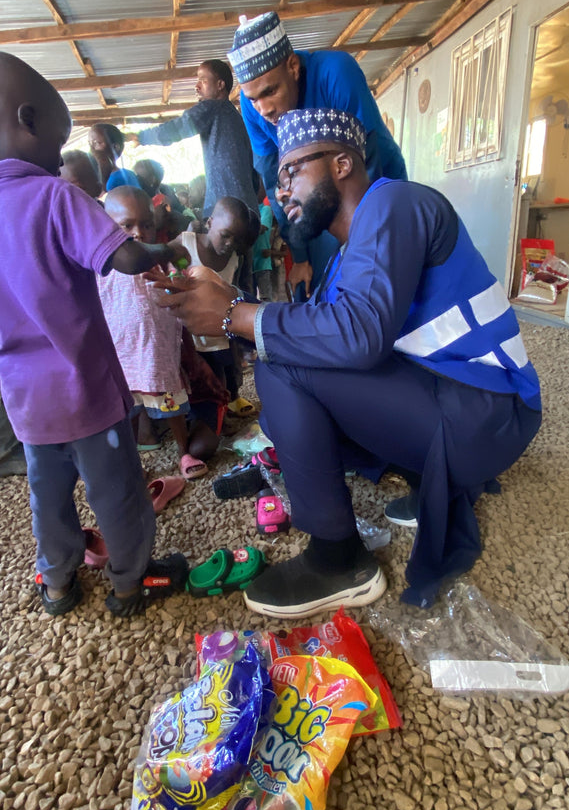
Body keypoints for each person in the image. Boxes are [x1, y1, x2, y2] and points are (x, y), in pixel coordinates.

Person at [158, 108, 542, 620]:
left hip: (488, 416)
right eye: (278, 180)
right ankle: (432, 482)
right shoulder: (347, 252)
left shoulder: (392, 202)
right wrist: (230, 303)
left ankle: (338, 560)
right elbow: (321, 332)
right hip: (469, 411)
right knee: (283, 386)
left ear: (342, 163)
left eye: (293, 170)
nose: (283, 192)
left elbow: (359, 335)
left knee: (280, 368)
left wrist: (235, 314)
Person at [0, 52, 190, 617]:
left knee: (47, 496)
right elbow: (125, 256)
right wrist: (168, 249)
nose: (58, 161)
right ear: (27, 119)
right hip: (87, 393)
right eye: (59, 146)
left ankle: (58, 583)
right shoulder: (54, 195)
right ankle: (131, 582)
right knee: (118, 493)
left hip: (27, 406)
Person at [228, 11, 408, 299]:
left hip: (374, 182)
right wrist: (300, 256)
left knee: (374, 282)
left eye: (270, 91)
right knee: (312, 291)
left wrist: (362, 250)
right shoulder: (252, 107)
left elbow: (368, 164)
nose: (263, 109)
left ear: (293, 66)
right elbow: (278, 182)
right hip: (316, 200)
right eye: (253, 99)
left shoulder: (336, 73)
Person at [97, 185, 211, 480]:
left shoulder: (160, 258)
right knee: (128, 411)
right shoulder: (103, 268)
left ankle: (184, 451)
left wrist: (179, 278)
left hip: (157, 350)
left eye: (146, 224)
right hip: (122, 354)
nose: (138, 233)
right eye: (127, 225)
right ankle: (132, 464)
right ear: (109, 226)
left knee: (172, 404)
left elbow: (183, 273)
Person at [126, 60, 260, 221]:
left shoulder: (213, 107)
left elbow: (179, 127)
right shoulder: (234, 117)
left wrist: (142, 137)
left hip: (226, 208)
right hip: (245, 206)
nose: (197, 86)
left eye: (203, 80)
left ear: (220, 85)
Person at [179, 196, 256, 416]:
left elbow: (235, 291)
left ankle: (223, 409)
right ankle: (200, 414)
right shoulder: (187, 243)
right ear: (210, 222)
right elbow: (171, 264)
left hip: (221, 331)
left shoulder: (233, 259)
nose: (230, 243)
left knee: (222, 372)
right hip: (191, 331)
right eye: (225, 235)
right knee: (197, 375)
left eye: (236, 240)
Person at [88, 123, 141, 192]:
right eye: (90, 143)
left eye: (97, 143)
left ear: (115, 147)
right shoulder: (92, 178)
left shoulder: (121, 178)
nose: (92, 148)